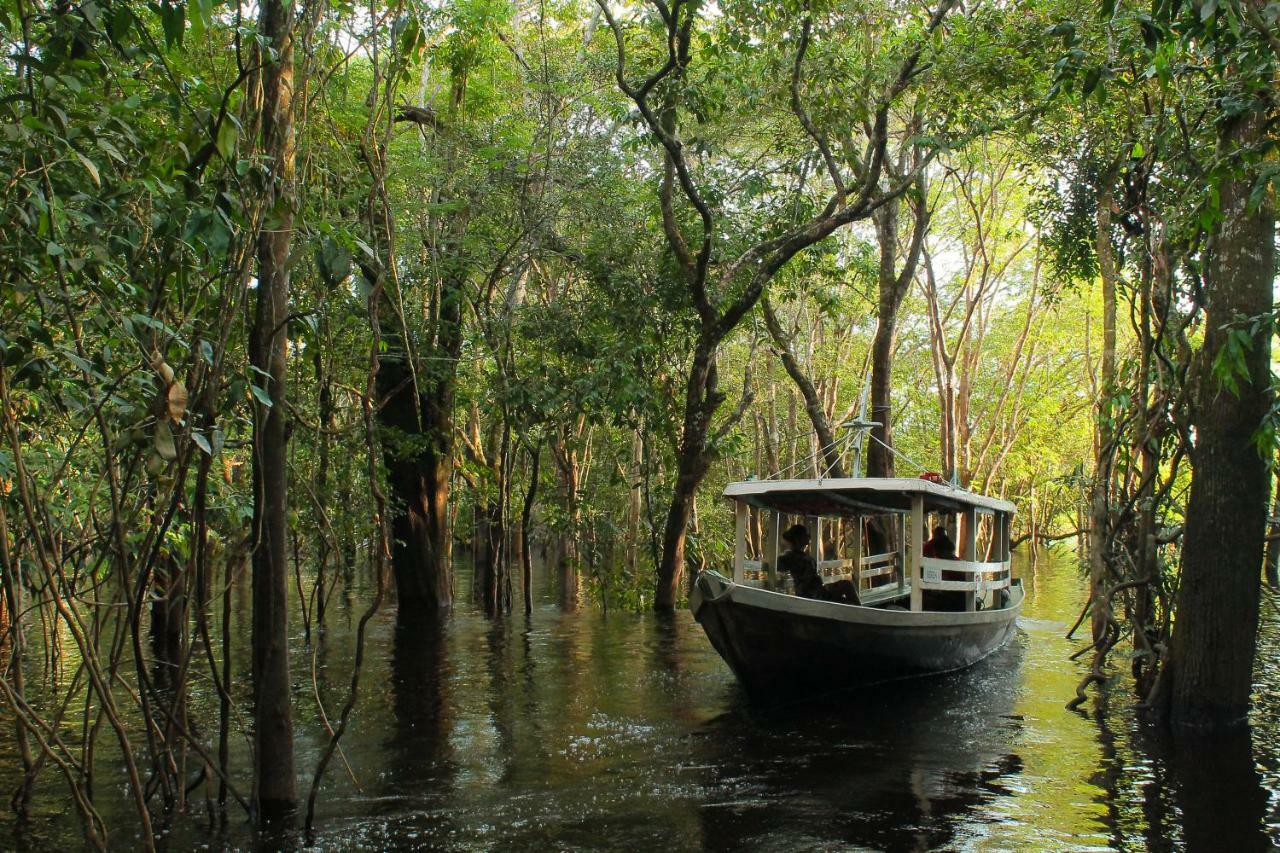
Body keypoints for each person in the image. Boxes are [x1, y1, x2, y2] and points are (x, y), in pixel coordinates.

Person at [776, 524, 858, 603]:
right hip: (812, 595)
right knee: (846, 586)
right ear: (798, 540)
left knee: (846, 587)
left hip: (819, 590)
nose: (806, 543)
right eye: (803, 539)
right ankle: (860, 611)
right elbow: (779, 565)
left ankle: (858, 610)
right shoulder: (791, 556)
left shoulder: (801, 555)